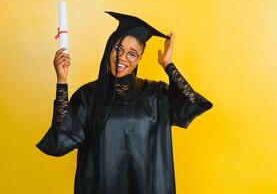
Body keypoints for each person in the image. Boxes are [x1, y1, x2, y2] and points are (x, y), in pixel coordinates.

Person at [36, 11, 213, 194]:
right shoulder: (88, 96)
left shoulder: (156, 94)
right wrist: (62, 81)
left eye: (132, 54)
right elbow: (61, 138)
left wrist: (168, 65)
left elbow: (191, 103)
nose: (122, 58)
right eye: (118, 49)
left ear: (139, 59)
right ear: (109, 48)